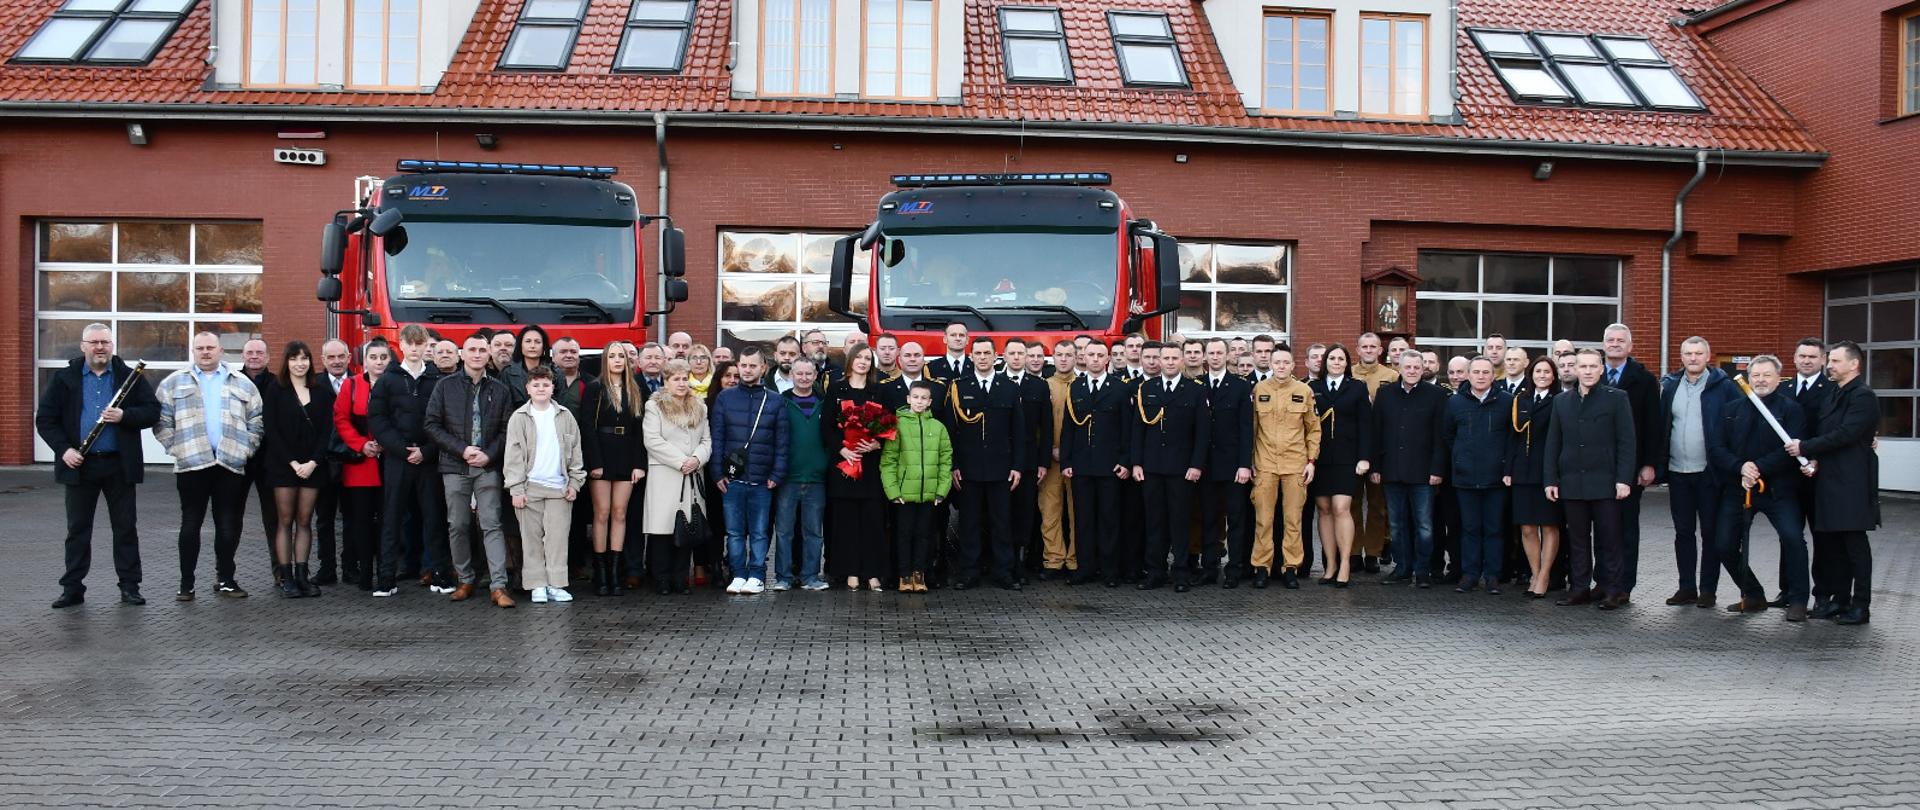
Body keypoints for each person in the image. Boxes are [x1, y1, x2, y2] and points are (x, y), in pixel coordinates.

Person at [37, 323, 161, 608]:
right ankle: (72, 589)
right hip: (80, 464)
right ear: (83, 346)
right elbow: (45, 419)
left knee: (125, 528)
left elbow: (152, 411)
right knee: (77, 530)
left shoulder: (128, 377)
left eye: (105, 342)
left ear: (112, 345)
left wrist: (124, 416)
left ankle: (129, 587)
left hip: (119, 465)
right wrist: (64, 450)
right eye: (94, 342)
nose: (100, 347)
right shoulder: (65, 378)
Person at [154, 331, 265, 600]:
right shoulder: (173, 383)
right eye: (200, 348)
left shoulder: (242, 383)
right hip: (192, 465)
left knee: (227, 525)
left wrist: (245, 450)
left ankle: (226, 579)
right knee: (190, 525)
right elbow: (161, 422)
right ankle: (186, 585)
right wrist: (177, 449)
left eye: (210, 347)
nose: (205, 352)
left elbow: (256, 420)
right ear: (193, 351)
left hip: (229, 464)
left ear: (220, 351)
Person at [1787, 341, 1880, 625]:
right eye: (1831, 361)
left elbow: (1846, 433)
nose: (1830, 366)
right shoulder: (1834, 393)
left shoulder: (1863, 396)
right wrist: (1815, 458)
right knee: (1833, 545)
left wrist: (1805, 447)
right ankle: (1838, 600)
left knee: (1854, 545)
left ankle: (1860, 606)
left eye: (1836, 361)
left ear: (1854, 364)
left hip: (1852, 481)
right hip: (1829, 480)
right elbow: (1825, 431)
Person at [1707, 355, 1807, 618]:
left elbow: (1790, 450)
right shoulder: (1731, 409)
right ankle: (1752, 594)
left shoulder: (1791, 409)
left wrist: (1758, 467)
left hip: (1778, 490)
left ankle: (1798, 600)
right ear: (1749, 378)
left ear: (1779, 378)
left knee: (1793, 539)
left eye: (1767, 375)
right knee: (1724, 544)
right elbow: (1716, 448)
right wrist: (1740, 467)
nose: (1761, 380)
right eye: (1756, 375)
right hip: (1738, 487)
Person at [424, 334, 518, 608]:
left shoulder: (500, 390)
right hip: (455, 465)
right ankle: (465, 579)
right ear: (462, 355)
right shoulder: (444, 386)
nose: (477, 354)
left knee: (491, 524)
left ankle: (498, 586)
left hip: (488, 466)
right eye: (472, 350)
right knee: (458, 525)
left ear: (488, 355)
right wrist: (462, 450)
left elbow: (507, 429)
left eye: (481, 350)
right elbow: (431, 425)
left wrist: (489, 454)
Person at [1545, 349, 1637, 610]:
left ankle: (1612, 590)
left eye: (1592, 366)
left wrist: (1624, 479)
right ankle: (1579, 588)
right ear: (1575, 370)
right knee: (1577, 540)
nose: (1587, 371)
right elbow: (1553, 443)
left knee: (1610, 540)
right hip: (1572, 483)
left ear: (1601, 369)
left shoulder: (1617, 398)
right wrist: (1550, 479)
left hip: (1606, 483)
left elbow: (1627, 442)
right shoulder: (1561, 401)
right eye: (1582, 366)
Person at [368, 325, 451, 597]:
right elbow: (378, 420)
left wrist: (426, 451)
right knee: (391, 518)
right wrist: (403, 451)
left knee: (434, 518)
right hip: (398, 460)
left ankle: (440, 575)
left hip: (429, 460)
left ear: (426, 345)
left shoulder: (438, 380)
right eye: (410, 343)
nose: (414, 348)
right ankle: (386, 579)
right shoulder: (387, 380)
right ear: (401, 345)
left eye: (419, 343)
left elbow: (446, 421)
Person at [1660, 336, 1737, 608]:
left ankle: (1708, 590)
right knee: (1683, 532)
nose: (1693, 358)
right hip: (1677, 471)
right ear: (1681, 357)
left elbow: (1736, 425)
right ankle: (1686, 587)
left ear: (1708, 356)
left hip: (1709, 473)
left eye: (1698, 353)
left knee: (1710, 533)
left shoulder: (1724, 387)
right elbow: (1663, 425)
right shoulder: (1670, 386)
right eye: (1688, 353)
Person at [946, 337, 1028, 590]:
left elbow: (1019, 431)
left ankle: (1003, 572)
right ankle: (968, 572)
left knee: (1002, 523)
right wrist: (954, 465)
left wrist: (1017, 466)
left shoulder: (1009, 388)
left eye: (986, 353)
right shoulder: (958, 387)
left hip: (1001, 468)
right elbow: (951, 431)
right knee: (969, 523)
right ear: (971, 357)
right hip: (968, 469)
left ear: (996, 357)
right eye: (978, 353)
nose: (982, 357)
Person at [503, 367, 586, 604]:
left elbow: (576, 451)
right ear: (528, 389)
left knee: (557, 539)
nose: (541, 389)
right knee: (531, 539)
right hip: (530, 487)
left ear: (552, 388)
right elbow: (513, 455)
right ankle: (537, 584)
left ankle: (556, 584)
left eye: (546, 385)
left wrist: (575, 482)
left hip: (559, 487)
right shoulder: (519, 417)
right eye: (536, 385)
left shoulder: (565, 416)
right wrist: (516, 488)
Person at [1131, 341, 1209, 591]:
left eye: (1175, 358)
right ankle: (1155, 572)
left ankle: (1181, 574)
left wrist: (1196, 465)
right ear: (1160, 361)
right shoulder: (1147, 388)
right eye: (1166, 358)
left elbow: (1202, 433)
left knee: (1180, 523)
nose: (1170, 362)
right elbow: (1138, 430)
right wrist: (1136, 462)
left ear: (1182, 360)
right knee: (1154, 523)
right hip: (1152, 467)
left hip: (1182, 469)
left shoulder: (1195, 390)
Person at [711, 346, 788, 595]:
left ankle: (756, 575)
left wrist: (776, 474)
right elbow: (717, 437)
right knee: (734, 532)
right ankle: (737, 574)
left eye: (752, 366)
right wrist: (717, 473)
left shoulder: (775, 400)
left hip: (762, 480)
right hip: (732, 479)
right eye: (743, 365)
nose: (746, 370)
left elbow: (782, 442)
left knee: (759, 532)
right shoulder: (725, 398)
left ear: (763, 368)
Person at [263, 340, 334, 598]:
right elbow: (271, 431)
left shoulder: (321, 391)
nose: (299, 363)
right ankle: (287, 577)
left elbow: (327, 431)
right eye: (294, 358)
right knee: (285, 521)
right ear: (286, 361)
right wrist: (293, 463)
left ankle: (303, 575)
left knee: (305, 521)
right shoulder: (275, 390)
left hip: (313, 466)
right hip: (283, 466)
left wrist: (313, 462)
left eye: (304, 358)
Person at [1369, 351, 1447, 588]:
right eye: (1408, 367)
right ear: (1399, 369)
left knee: (1424, 525)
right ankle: (1402, 568)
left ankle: (1422, 571)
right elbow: (1376, 433)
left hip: (1423, 473)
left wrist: (1437, 470)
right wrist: (1375, 467)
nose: (1412, 371)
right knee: (1396, 524)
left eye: (1416, 367)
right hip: (1392, 470)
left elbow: (1440, 437)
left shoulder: (1436, 395)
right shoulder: (1385, 394)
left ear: (1423, 369)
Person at [1601, 323, 1666, 602]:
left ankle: (1623, 585)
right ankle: (1602, 581)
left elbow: (1654, 425)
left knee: (1626, 528)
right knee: (1602, 528)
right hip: (1598, 466)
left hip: (1631, 465)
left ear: (1630, 346)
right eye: (1610, 340)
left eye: (1620, 340)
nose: (1615, 344)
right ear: (1604, 344)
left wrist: (1650, 463)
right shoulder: (1593, 374)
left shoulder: (1645, 380)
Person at [1060, 341, 1132, 586]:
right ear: (1084, 357)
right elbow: (1068, 428)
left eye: (1100, 355)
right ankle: (1085, 568)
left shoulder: (1120, 388)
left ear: (1107, 359)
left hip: (1110, 466)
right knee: (1083, 519)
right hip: (1081, 466)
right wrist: (1066, 460)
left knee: (1109, 519)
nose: (1094, 359)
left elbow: (1127, 429)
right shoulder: (1075, 387)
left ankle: (1110, 571)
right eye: (1090, 354)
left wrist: (1125, 461)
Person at [580, 341, 648, 596]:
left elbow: (640, 430)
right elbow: (588, 427)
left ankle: (616, 571)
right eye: (612, 356)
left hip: (627, 453)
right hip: (602, 452)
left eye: (621, 356)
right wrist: (595, 462)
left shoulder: (635, 388)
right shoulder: (595, 388)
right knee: (602, 512)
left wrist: (639, 464)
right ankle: (601, 572)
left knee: (620, 513)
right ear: (605, 360)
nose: (618, 360)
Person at [1249, 347, 1319, 589]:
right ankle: (1262, 567)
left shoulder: (1304, 391)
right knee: (1263, 520)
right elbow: (1252, 428)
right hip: (1265, 464)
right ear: (1270, 364)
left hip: (1295, 465)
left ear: (1292, 365)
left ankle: (1290, 567)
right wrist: (1250, 461)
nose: (1280, 366)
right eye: (1276, 362)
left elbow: (1313, 429)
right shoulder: (1259, 390)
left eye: (1285, 362)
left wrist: (1311, 461)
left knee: (1293, 520)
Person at [640, 360, 712, 594]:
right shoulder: (655, 406)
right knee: (662, 530)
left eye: (684, 379)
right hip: (665, 474)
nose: (681, 383)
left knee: (688, 527)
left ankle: (681, 578)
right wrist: (682, 461)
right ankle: (661, 579)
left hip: (691, 476)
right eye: (676, 379)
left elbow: (706, 440)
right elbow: (652, 440)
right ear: (666, 381)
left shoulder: (699, 406)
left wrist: (697, 459)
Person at [1443, 356, 1513, 594]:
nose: (1481, 376)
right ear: (1469, 375)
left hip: (1496, 478)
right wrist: (1461, 457)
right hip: (1465, 478)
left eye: (1485, 372)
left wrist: (1505, 467)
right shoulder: (1455, 402)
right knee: (1469, 529)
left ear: (1493, 375)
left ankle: (1493, 576)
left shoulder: (1507, 401)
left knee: (1494, 529)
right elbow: (1448, 435)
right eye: (1476, 372)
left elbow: (1511, 438)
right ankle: (1470, 575)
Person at [824, 346, 891, 591]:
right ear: (850, 360)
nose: (863, 361)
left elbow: (888, 424)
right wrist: (842, 450)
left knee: (872, 522)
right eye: (859, 357)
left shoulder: (879, 390)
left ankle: (872, 572)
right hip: (845, 466)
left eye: (868, 358)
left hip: (870, 467)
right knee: (847, 522)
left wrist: (877, 443)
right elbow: (827, 427)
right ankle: (850, 571)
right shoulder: (836, 389)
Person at [1309, 344, 1370, 588]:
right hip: (1320, 457)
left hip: (1348, 457)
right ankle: (1330, 565)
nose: (1336, 362)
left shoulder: (1357, 387)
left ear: (1347, 363)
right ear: (1325, 362)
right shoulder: (1313, 387)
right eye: (1332, 358)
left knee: (1341, 508)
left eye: (1341, 358)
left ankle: (1345, 563)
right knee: (1324, 509)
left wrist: (1364, 457)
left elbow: (1366, 424)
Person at [883, 382, 953, 593]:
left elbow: (945, 461)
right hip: (904, 494)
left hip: (929, 494)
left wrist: (942, 490)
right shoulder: (897, 425)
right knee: (903, 535)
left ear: (930, 402)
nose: (919, 401)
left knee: (925, 535)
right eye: (916, 397)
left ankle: (919, 574)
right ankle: (904, 575)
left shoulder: (938, 428)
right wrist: (893, 491)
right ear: (908, 399)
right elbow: (888, 461)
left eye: (924, 398)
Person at [1197, 339, 1255, 588]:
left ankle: (1234, 570)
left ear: (1228, 355)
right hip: (1206, 465)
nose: (1215, 357)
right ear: (1205, 357)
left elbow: (1246, 429)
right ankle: (1209, 568)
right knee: (1208, 518)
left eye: (1220, 352)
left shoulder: (1240, 386)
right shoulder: (1197, 385)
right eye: (1211, 353)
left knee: (1236, 519)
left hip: (1233, 465)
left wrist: (1244, 464)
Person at [1779, 337, 1831, 608]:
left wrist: (1817, 458)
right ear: (1795, 358)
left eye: (1812, 357)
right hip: (1786, 475)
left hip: (1817, 475)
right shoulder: (1783, 388)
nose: (1807, 361)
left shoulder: (1831, 390)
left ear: (1823, 360)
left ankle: (1822, 594)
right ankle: (1787, 591)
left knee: (1821, 537)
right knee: (1788, 534)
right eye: (1802, 356)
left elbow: (1832, 431)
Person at [333, 339, 389, 591]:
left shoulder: (396, 384)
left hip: (389, 462)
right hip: (360, 465)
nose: (378, 362)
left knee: (388, 521)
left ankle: (386, 573)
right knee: (361, 521)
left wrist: (388, 443)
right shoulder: (352, 384)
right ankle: (364, 573)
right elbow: (341, 419)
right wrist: (361, 445)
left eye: (383, 357)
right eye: (373, 357)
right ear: (364, 361)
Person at [773, 358, 829, 591]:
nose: (804, 378)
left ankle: (810, 577)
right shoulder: (780, 402)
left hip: (816, 478)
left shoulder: (824, 403)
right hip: (788, 478)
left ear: (815, 376)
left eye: (808, 374)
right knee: (784, 531)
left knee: (813, 532)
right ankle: (783, 577)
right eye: (799, 374)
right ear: (792, 375)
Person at [1509, 356, 1562, 598]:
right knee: (1527, 527)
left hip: (1547, 470)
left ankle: (1545, 576)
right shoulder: (1521, 399)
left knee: (1549, 525)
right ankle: (1535, 572)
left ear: (1554, 376)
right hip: (1523, 470)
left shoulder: (1559, 400)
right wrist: (1508, 470)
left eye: (1547, 371)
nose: (1542, 375)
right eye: (1538, 371)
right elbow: (1512, 437)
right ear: (1531, 374)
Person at [1002, 338, 1053, 580]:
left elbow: (1046, 427)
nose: (1016, 357)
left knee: (1025, 513)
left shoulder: (1039, 386)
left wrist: (1043, 462)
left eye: (1020, 353)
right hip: (1001, 460)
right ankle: (1001, 562)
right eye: (1011, 353)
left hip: (1030, 461)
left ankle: (1020, 564)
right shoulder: (998, 383)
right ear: (1004, 356)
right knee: (1001, 514)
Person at [1350, 333, 1399, 573]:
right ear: (1357, 349)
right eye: (1364, 346)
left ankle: (1373, 552)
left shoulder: (1392, 376)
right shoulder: (1348, 374)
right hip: (1353, 447)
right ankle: (1353, 552)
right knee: (1352, 503)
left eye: (1373, 346)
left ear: (1380, 350)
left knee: (1379, 505)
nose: (1369, 350)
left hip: (1380, 448)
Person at [312, 338, 353, 585]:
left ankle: (350, 567)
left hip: (353, 461)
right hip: (324, 462)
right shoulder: (313, 385)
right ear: (323, 360)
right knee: (324, 519)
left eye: (341, 356)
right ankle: (326, 568)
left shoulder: (360, 382)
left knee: (352, 518)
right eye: (331, 357)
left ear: (349, 357)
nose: (336, 361)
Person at [239, 338, 280, 580]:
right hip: (239, 459)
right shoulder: (231, 382)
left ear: (267, 357)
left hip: (270, 460)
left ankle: (280, 571)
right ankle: (225, 575)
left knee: (274, 519)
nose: (254, 356)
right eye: (250, 352)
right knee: (231, 517)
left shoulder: (278, 384)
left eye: (259, 352)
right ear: (243, 356)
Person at [1039, 342, 1079, 579]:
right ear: (1052, 358)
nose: (1064, 359)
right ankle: (1053, 560)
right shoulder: (1044, 386)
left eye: (1068, 355)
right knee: (1050, 511)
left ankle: (1075, 560)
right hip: (1051, 460)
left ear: (1076, 357)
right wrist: (1049, 450)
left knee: (1077, 512)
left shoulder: (1082, 385)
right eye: (1059, 355)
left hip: (1075, 460)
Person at [497, 324, 552, 406]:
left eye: (537, 342)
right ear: (520, 345)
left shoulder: (555, 371)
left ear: (544, 346)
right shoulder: (507, 373)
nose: (532, 346)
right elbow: (502, 405)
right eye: (528, 341)